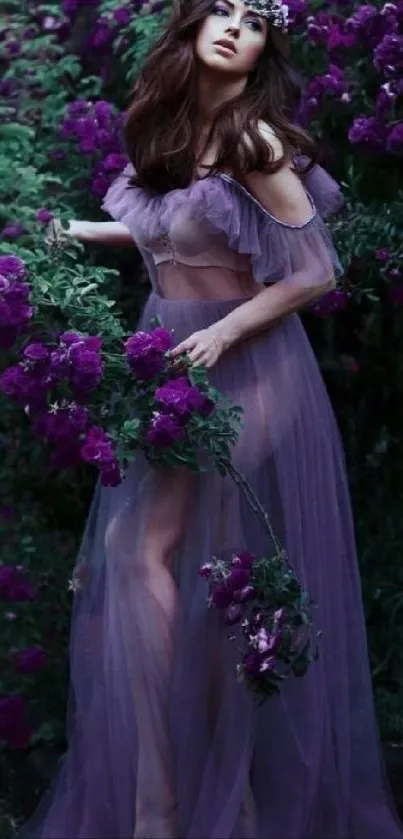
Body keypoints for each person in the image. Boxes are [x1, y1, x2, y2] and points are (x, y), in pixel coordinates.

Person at [23, 1, 403, 838]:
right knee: (182, 570)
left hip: (250, 365)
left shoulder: (254, 142)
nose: (235, 26)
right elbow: (174, 235)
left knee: (143, 552)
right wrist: (78, 232)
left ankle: (168, 807)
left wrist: (227, 330)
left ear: (266, 48)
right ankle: (203, 797)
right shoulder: (171, 131)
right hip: (173, 359)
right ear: (192, 28)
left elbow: (315, 273)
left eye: (255, 20)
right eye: (220, 11)